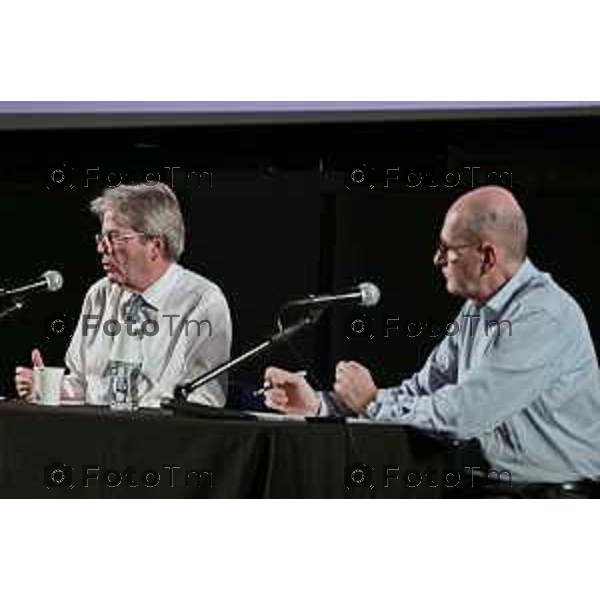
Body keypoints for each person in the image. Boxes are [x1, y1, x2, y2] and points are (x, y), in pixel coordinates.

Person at [264, 186, 600, 497]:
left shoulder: (542, 315)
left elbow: (462, 415)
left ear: (486, 257)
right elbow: (422, 392)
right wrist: (322, 406)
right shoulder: (475, 311)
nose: (436, 260)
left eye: (447, 249)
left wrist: (370, 403)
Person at [15, 183, 231, 408]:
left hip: (162, 437)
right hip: (96, 435)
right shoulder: (99, 295)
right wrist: (47, 387)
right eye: (101, 238)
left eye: (114, 238)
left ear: (155, 245)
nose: (102, 248)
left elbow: (206, 399)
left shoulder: (202, 301)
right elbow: (82, 383)